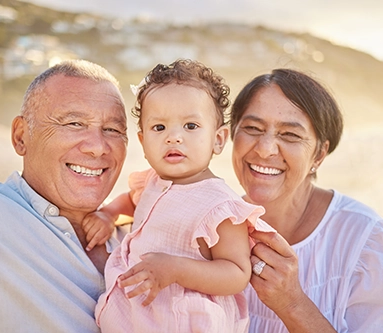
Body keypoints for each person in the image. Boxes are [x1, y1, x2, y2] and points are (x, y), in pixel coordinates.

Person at [0, 59, 128, 332]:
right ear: (21, 137)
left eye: (112, 130)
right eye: (74, 123)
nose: (98, 147)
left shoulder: (141, 234)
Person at [230, 68, 383, 332]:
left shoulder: (370, 247)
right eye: (252, 128)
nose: (264, 149)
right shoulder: (208, 226)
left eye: (290, 134)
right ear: (230, 135)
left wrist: (292, 304)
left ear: (319, 155)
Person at [91, 59, 274, 332]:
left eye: (190, 126)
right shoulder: (153, 182)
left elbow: (236, 273)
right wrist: (108, 214)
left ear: (218, 139)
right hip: (139, 317)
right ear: (142, 142)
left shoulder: (219, 205)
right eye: (159, 127)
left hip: (185, 321)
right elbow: (132, 201)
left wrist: (176, 269)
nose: (173, 137)